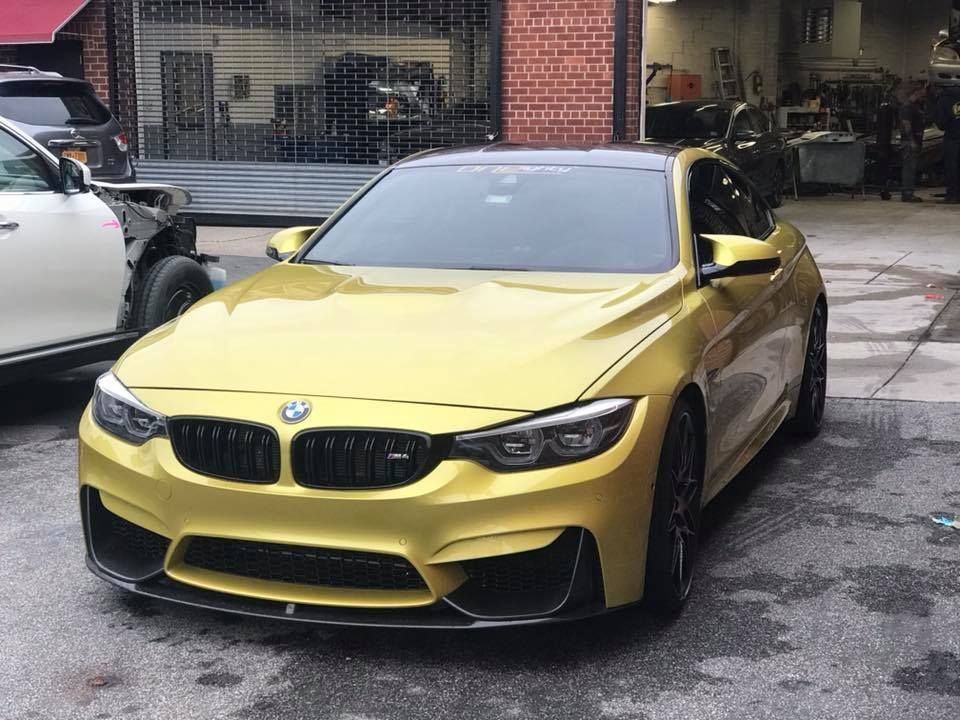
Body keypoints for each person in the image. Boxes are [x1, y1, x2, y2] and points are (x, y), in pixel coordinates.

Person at [898, 83, 926, 203]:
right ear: (916, 91)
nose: (924, 93)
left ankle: (909, 192)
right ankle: (907, 194)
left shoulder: (916, 106)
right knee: (909, 168)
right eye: (923, 91)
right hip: (909, 143)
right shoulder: (907, 107)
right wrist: (912, 141)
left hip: (915, 141)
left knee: (912, 168)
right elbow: (906, 124)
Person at [934, 84, 960, 204]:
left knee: (951, 168)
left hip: (952, 139)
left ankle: (952, 195)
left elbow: (941, 123)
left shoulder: (944, 99)